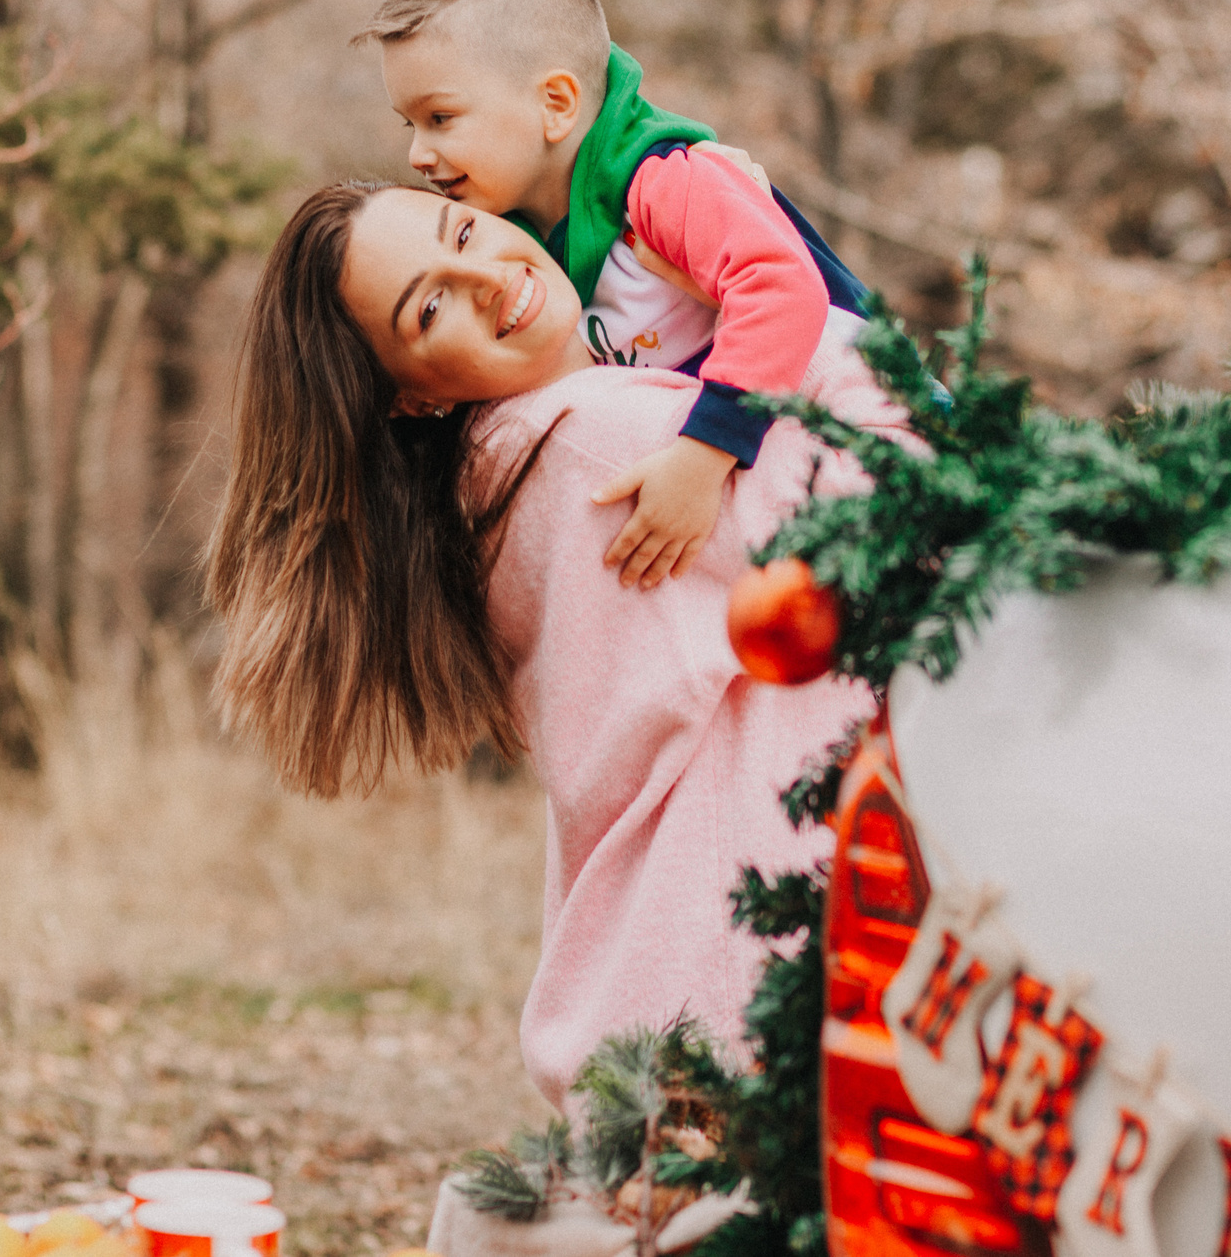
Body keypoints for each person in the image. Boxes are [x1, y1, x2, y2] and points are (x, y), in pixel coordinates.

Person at [206, 182, 904, 1106]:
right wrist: (782, 291)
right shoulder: (595, 448)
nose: (487, 279)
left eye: (464, 234)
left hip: (693, 1002)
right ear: (411, 398)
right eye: (431, 307)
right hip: (745, 1010)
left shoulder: (509, 471)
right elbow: (900, 498)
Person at [357, 0, 871, 590]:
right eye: (410, 124)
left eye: (440, 118)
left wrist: (703, 455)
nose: (418, 154)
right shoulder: (525, 248)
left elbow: (780, 287)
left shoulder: (660, 181)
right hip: (793, 513)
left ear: (556, 103)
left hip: (877, 437)